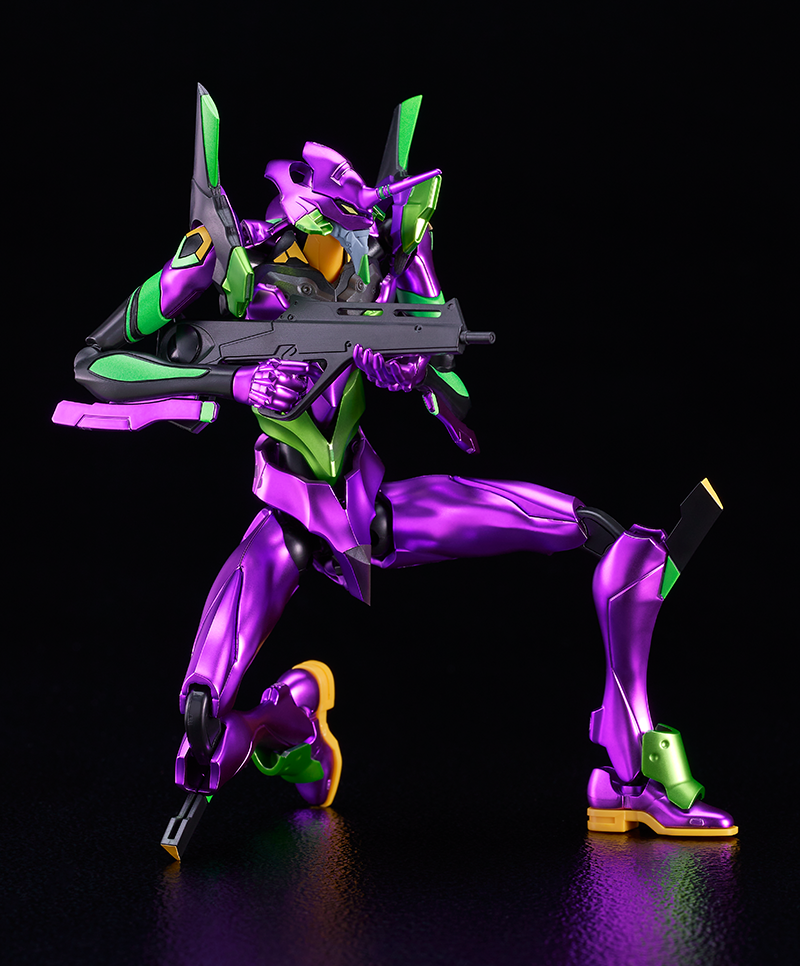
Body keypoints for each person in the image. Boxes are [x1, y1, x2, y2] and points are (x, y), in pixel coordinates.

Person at [55, 86, 736, 856]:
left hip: (372, 511)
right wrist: (232, 383)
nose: (354, 272)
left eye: (360, 251)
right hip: (286, 523)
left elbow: (453, 382)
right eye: (333, 249)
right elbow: (94, 364)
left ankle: (629, 773)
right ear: (295, 234)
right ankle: (293, 723)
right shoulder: (216, 263)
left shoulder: (381, 274)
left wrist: (416, 377)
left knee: (608, 538)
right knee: (201, 725)